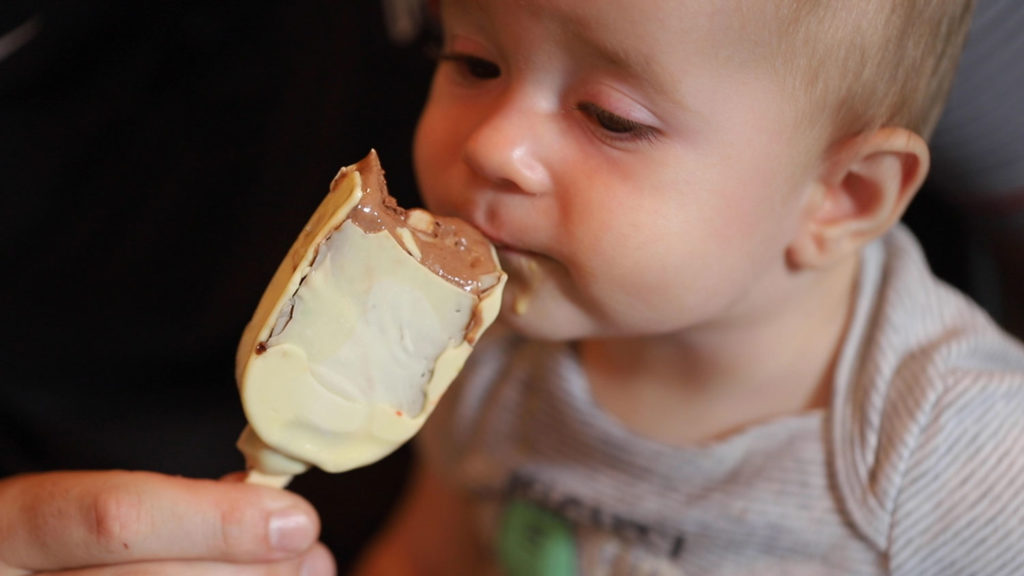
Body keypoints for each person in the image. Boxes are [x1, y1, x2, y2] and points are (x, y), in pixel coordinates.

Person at [351, 1, 1024, 575]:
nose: (493, 147)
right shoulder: (479, 342)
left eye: (611, 118)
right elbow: (428, 558)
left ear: (842, 196)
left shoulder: (966, 461)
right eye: (475, 63)